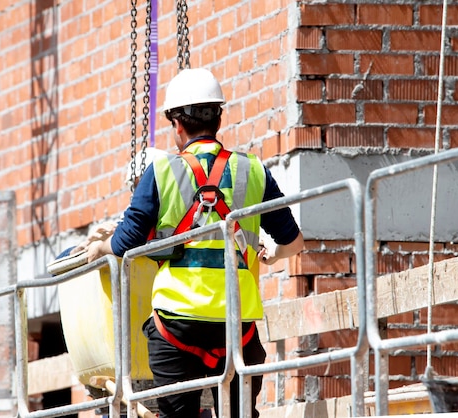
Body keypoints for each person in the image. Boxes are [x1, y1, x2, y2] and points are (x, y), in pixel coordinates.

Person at [87, 68, 304, 417]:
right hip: (236, 327)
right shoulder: (253, 170)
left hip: (177, 325)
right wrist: (273, 254)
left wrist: (100, 247)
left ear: (177, 125)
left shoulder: (160, 172)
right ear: (218, 117)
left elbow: (126, 241)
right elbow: (293, 243)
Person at [55, 147, 167, 259]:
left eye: (144, 185)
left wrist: (102, 247)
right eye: (136, 187)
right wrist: (83, 247)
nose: (141, 194)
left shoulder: (168, 222)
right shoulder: (125, 227)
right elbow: (55, 269)